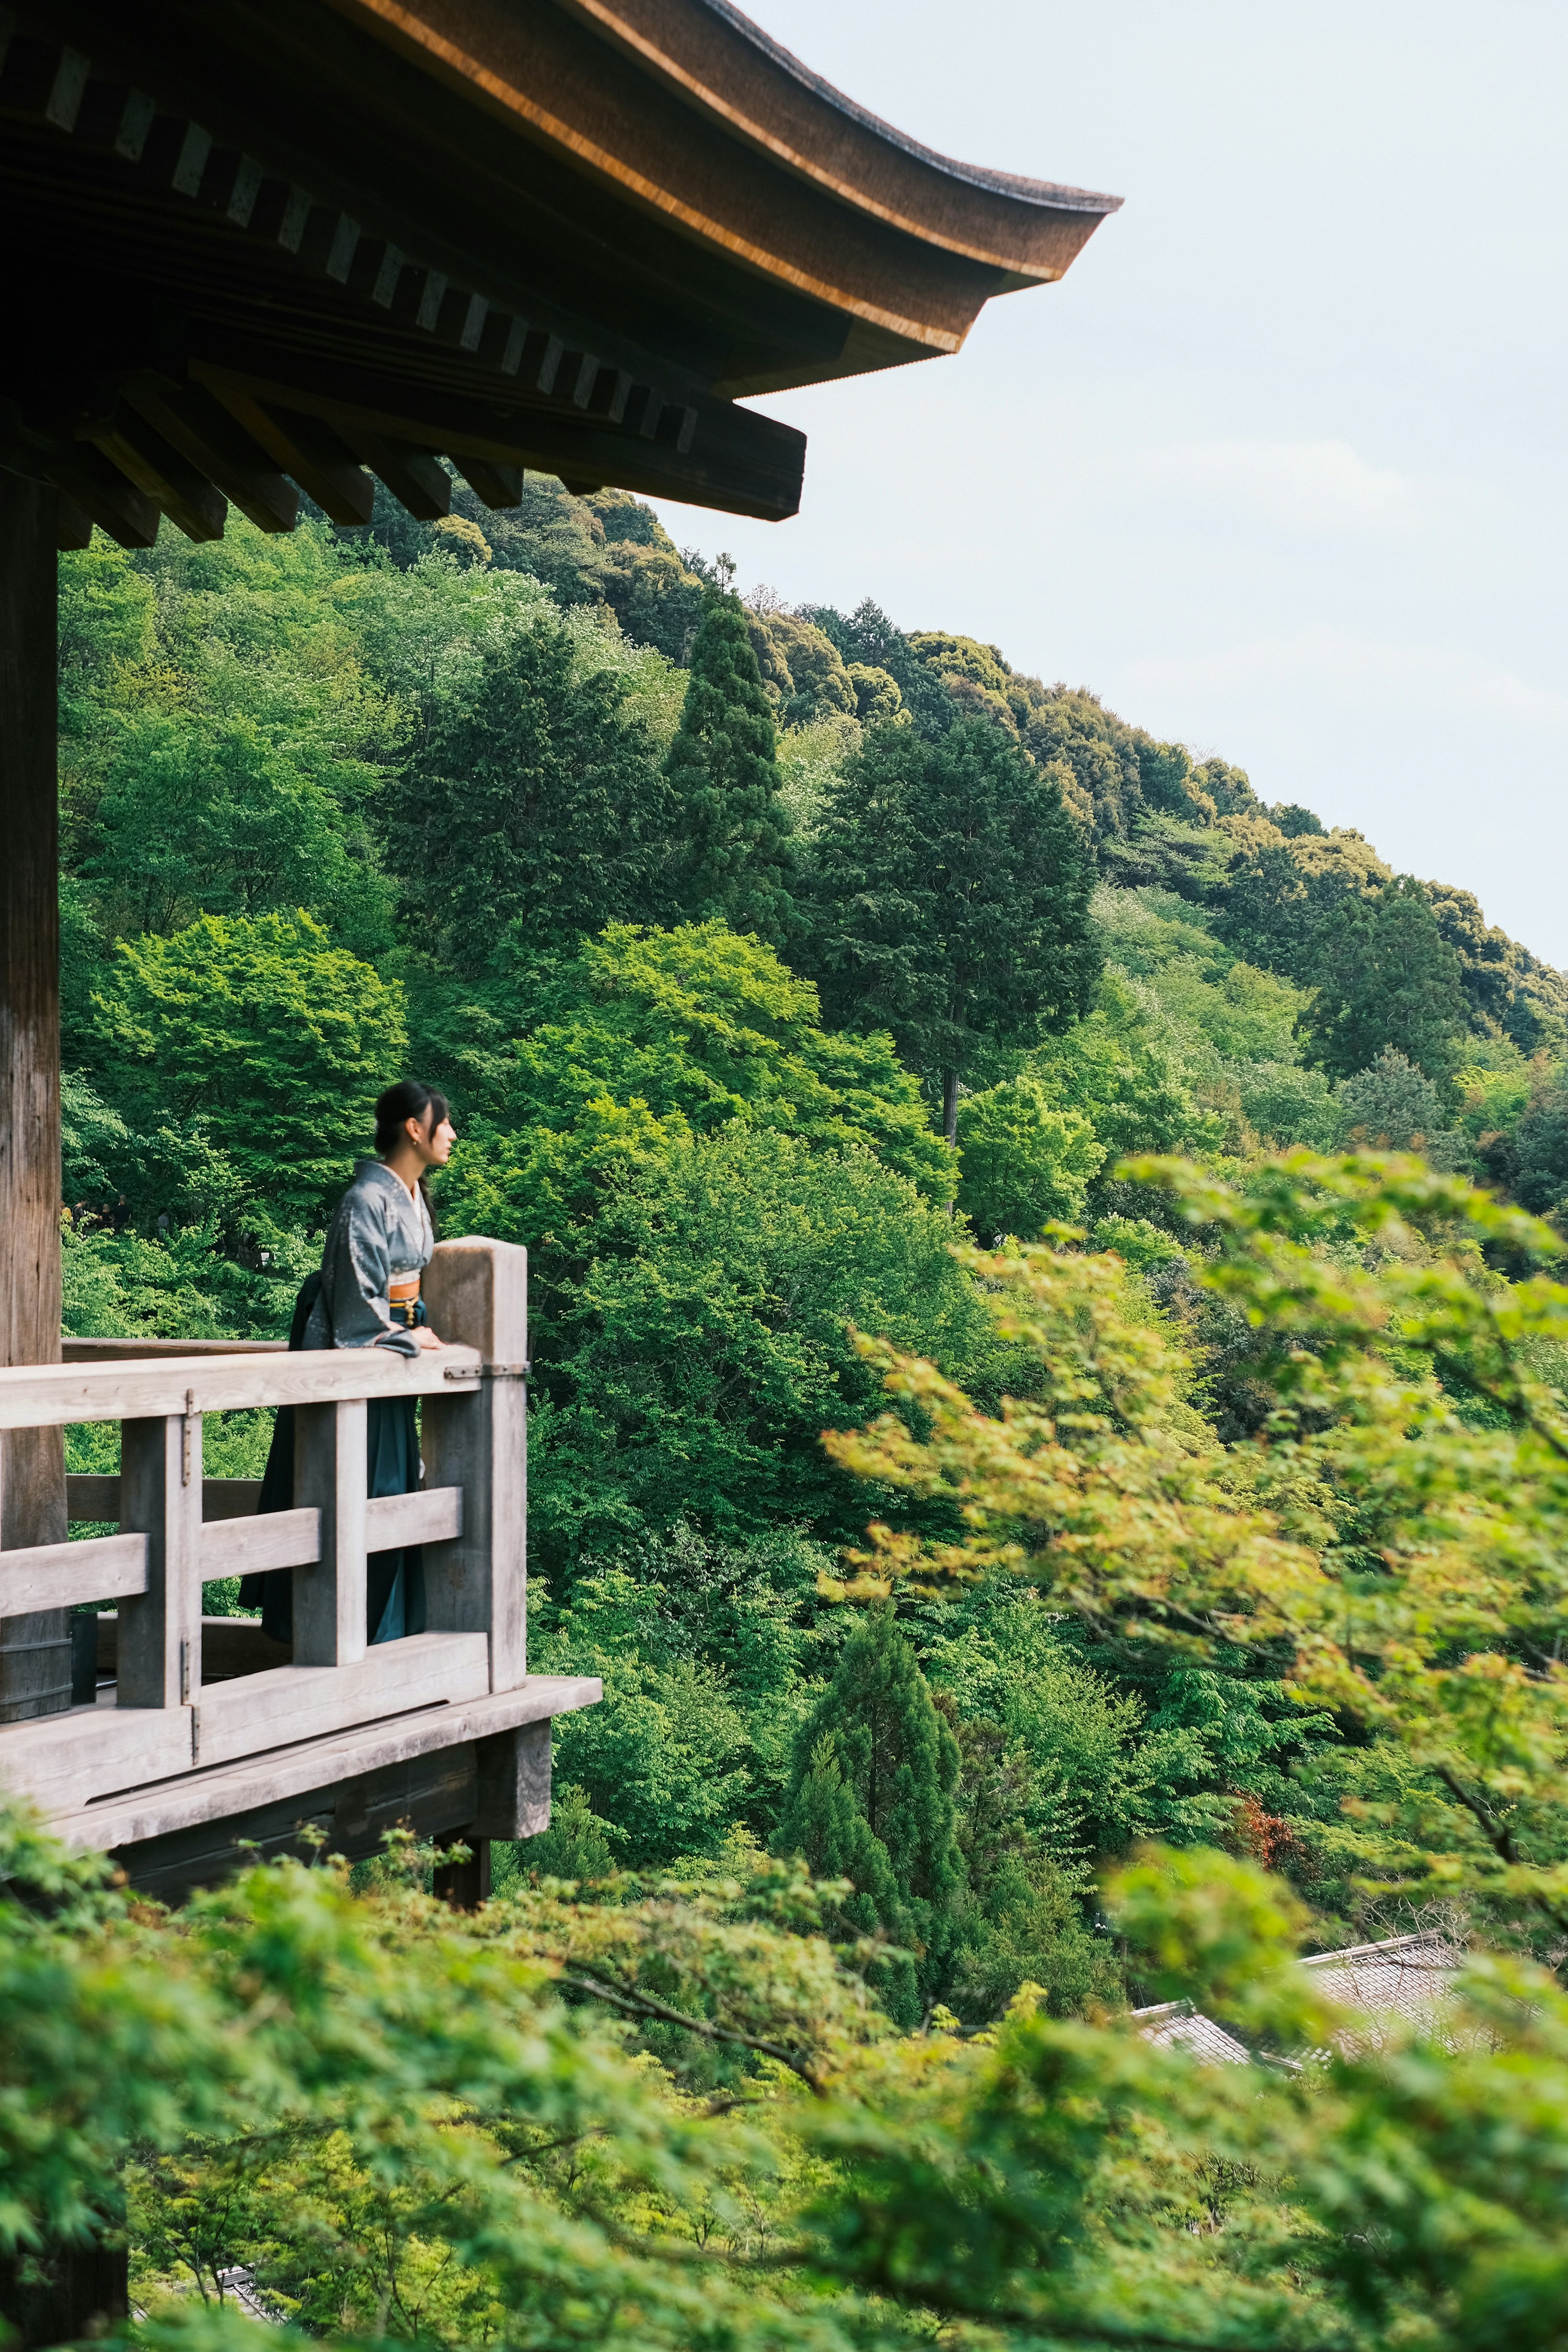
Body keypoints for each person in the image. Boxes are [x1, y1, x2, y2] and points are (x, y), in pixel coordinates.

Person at [240, 1081, 456, 1646]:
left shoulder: (408, 1194)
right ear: (415, 1128)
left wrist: (413, 1328)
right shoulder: (366, 1198)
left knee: (395, 1485)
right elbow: (357, 1306)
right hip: (368, 1342)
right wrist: (405, 1334)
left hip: (398, 1340)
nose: (452, 1135)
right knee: (366, 1488)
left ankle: (382, 1630)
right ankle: (341, 1630)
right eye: (444, 1123)